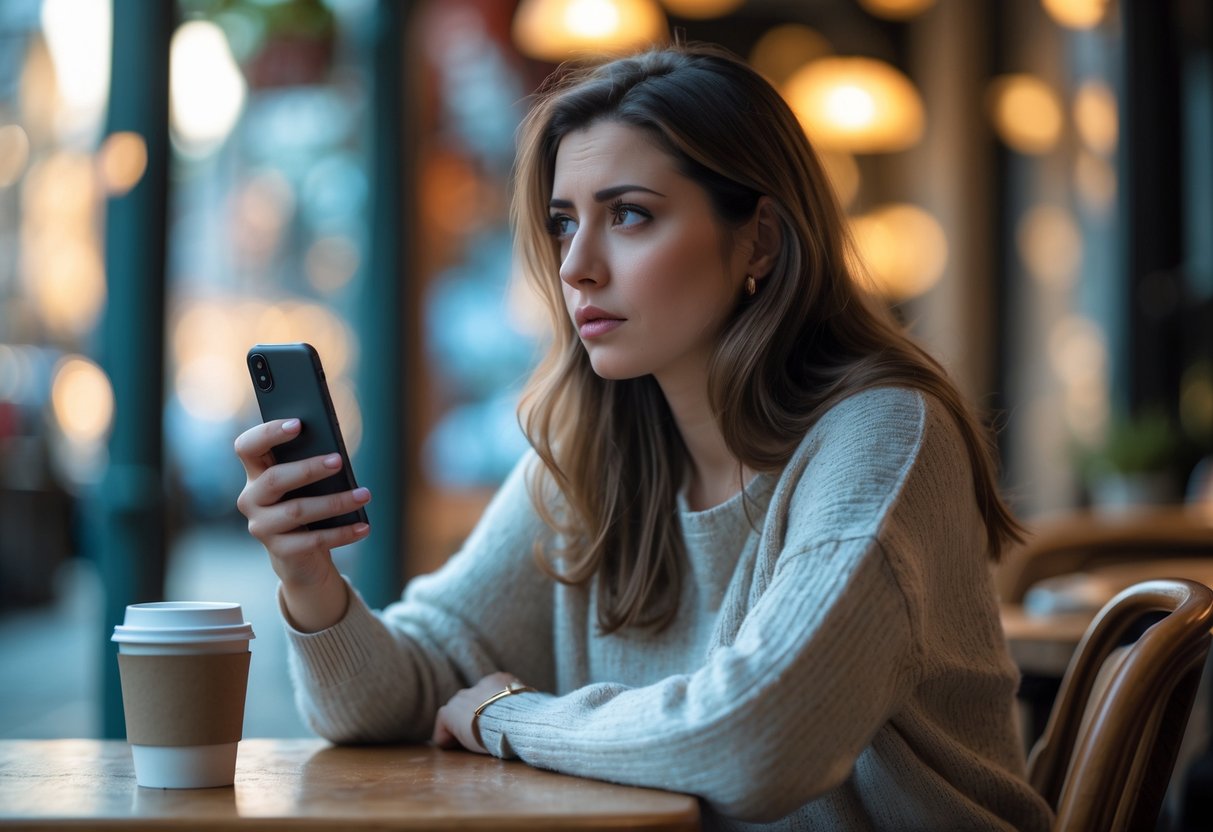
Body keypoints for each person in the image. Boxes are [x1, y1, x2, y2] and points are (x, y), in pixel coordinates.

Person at [235, 42, 1053, 831]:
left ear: (758, 239)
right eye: (563, 222)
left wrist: (509, 716)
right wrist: (309, 579)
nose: (576, 266)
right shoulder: (592, 454)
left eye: (628, 215)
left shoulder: (881, 437)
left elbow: (756, 741)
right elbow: (398, 696)